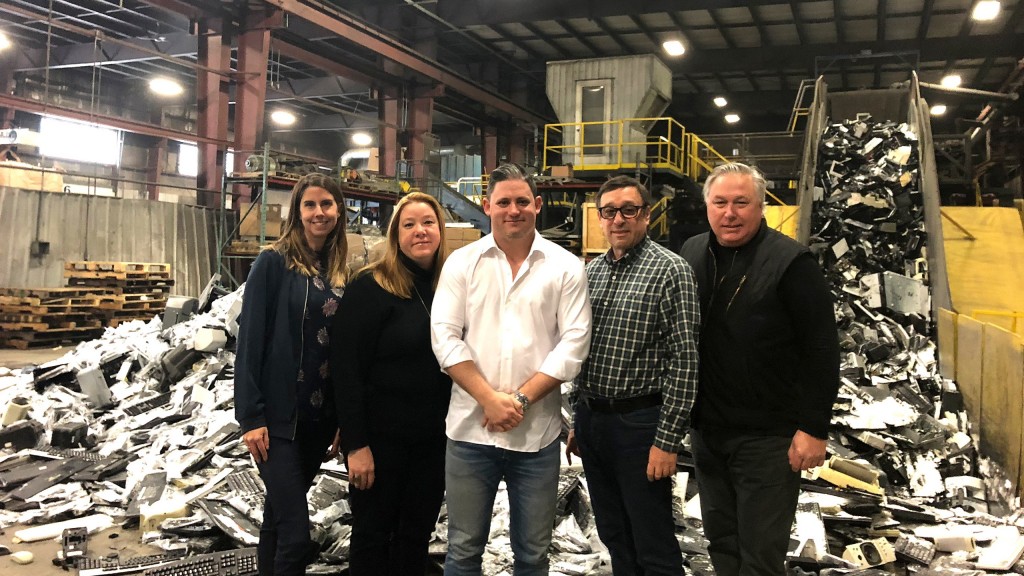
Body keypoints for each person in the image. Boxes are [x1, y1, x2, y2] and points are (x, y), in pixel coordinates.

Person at [678, 163, 840, 576]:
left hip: (768, 437)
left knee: (760, 553)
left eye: (740, 203)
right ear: (707, 206)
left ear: (761, 206)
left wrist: (814, 427)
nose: (729, 213)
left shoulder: (792, 263)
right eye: (720, 203)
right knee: (721, 542)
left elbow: (822, 349)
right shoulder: (692, 252)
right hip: (708, 431)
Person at [431, 163, 592, 576]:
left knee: (533, 555)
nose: (513, 210)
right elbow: (445, 338)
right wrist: (489, 399)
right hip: (470, 433)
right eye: (503, 202)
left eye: (522, 201)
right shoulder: (462, 264)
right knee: (463, 552)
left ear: (537, 205)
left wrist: (517, 401)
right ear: (487, 206)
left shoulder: (565, 266)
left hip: (536, 438)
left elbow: (573, 344)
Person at [566, 175, 700, 576]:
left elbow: (685, 361)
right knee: (613, 532)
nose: (618, 219)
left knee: (651, 537)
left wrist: (667, 441)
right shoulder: (592, 273)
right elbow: (583, 353)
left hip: (640, 426)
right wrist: (578, 420)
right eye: (609, 211)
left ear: (646, 215)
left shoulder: (670, 271)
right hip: (594, 422)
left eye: (629, 210)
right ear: (600, 218)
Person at [332, 192, 452, 575]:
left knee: (416, 535)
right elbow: (346, 370)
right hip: (381, 441)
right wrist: (357, 445)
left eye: (428, 223)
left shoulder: (450, 289)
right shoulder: (370, 288)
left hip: (433, 442)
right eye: (409, 224)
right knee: (372, 534)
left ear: (440, 230)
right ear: (395, 234)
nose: (420, 231)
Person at [234, 173, 346, 576]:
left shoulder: (338, 269)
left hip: (318, 423)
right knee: (297, 536)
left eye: (327, 204)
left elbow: (340, 350)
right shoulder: (273, 263)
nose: (319, 213)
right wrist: (251, 416)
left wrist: (340, 417)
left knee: (277, 522)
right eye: (310, 205)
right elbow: (250, 342)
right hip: (279, 422)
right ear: (297, 212)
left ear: (339, 210)